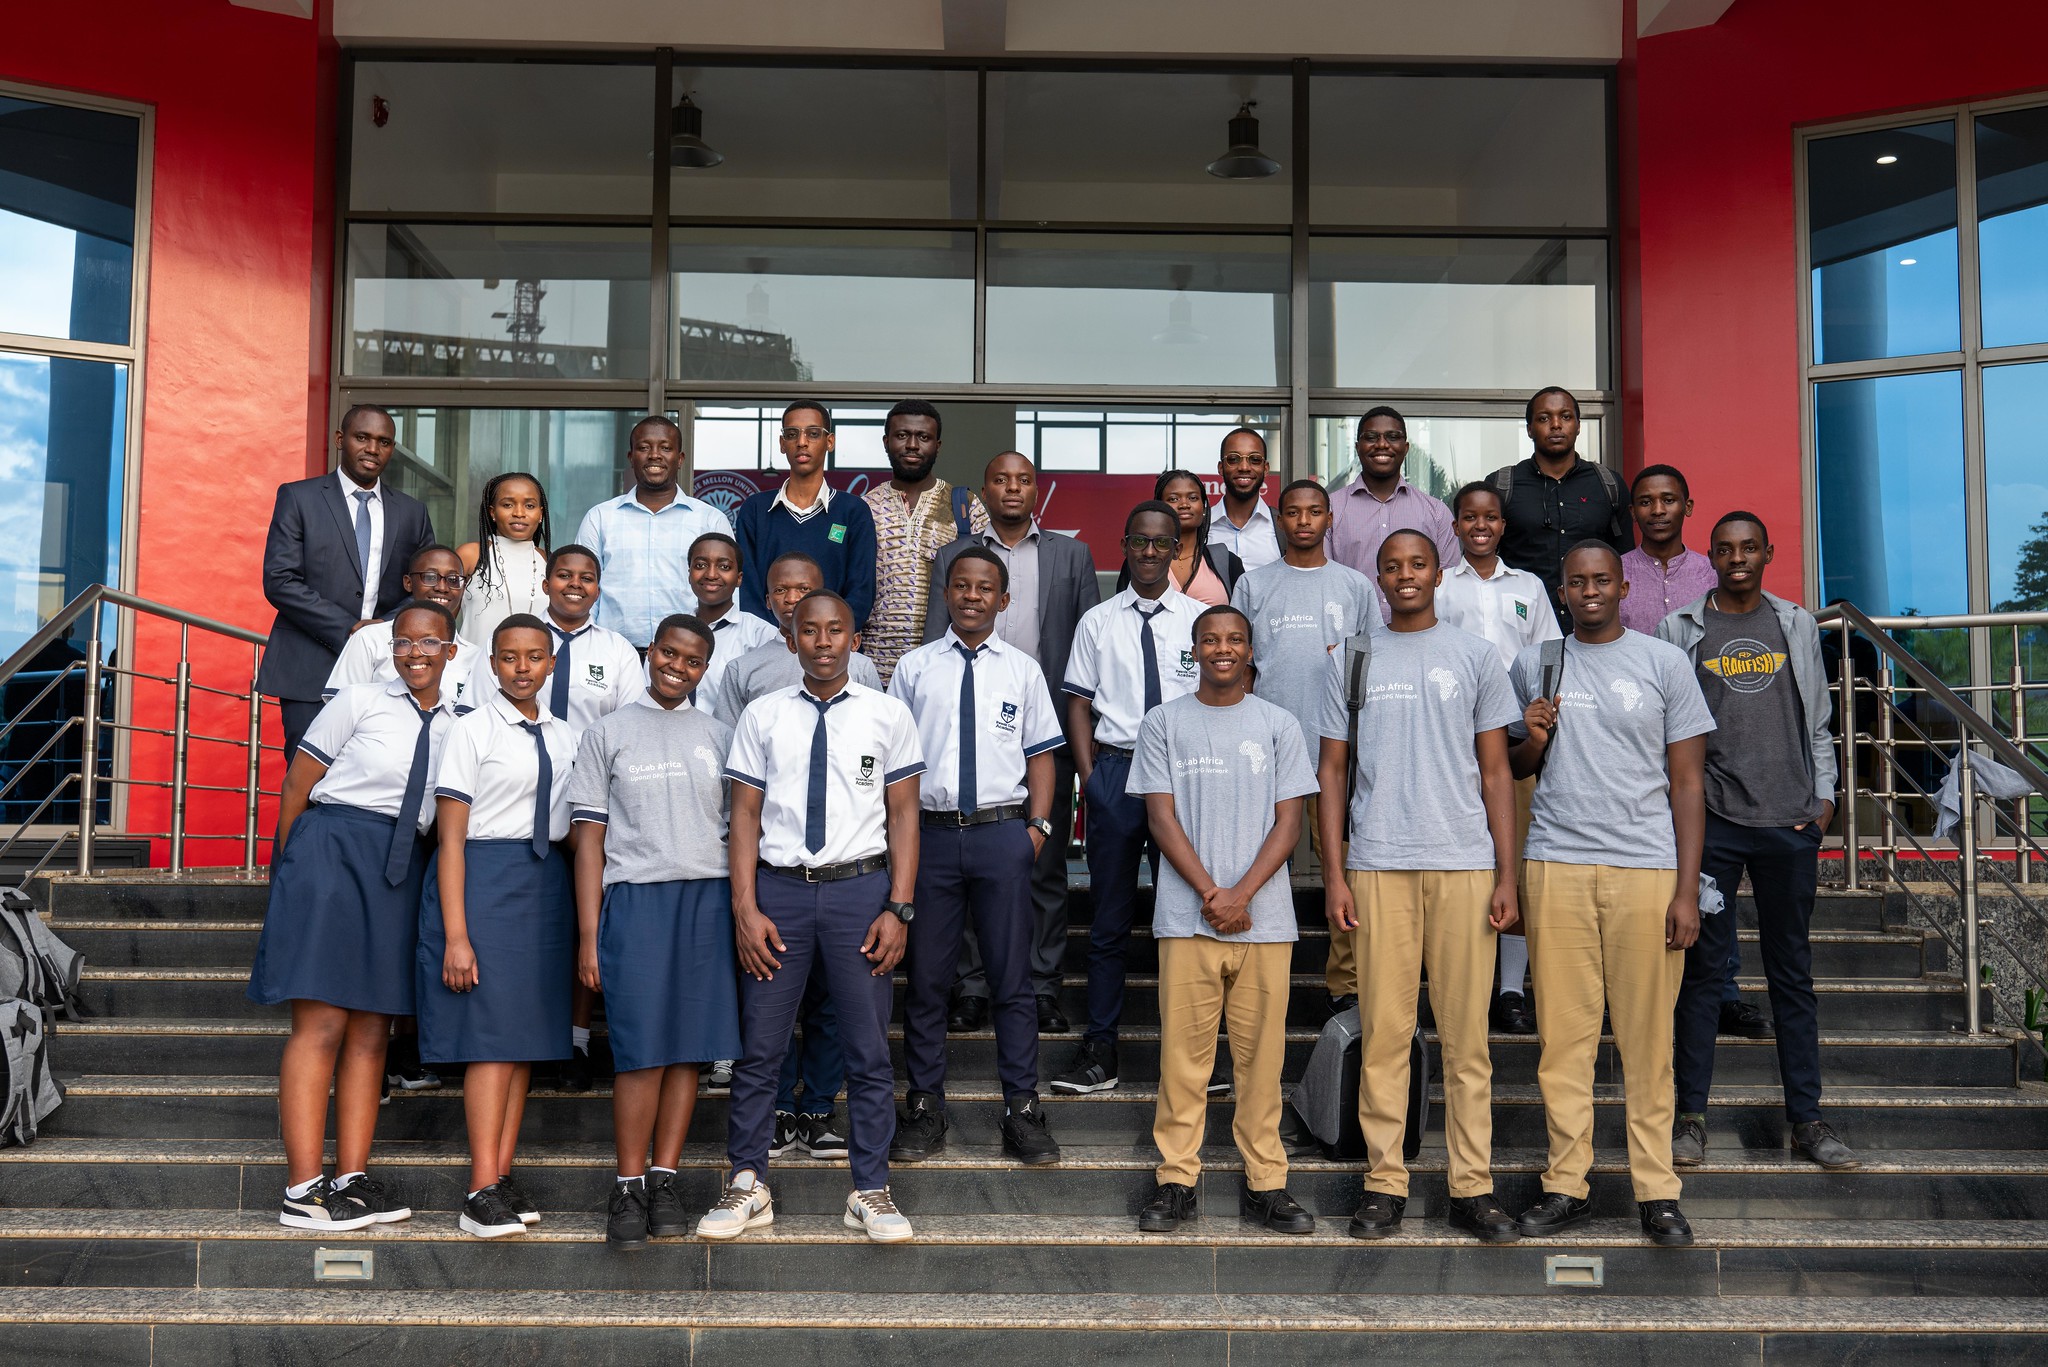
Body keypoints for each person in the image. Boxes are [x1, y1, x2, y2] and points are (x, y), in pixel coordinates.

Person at [1315, 531, 1523, 1243]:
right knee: (1386, 1035)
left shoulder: (1475, 655)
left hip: (1464, 862)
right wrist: (1336, 871)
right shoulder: (1353, 657)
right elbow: (1333, 774)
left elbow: (1497, 772)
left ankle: (1473, 1184)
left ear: (1439, 573)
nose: (1405, 575)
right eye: (1393, 566)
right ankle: (1384, 1180)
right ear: (1378, 577)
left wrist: (1506, 873)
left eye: (1418, 564)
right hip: (1378, 864)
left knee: (1469, 1040)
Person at [699, 590, 925, 1245]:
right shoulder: (764, 715)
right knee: (760, 1047)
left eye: (835, 630)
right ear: (791, 637)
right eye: (810, 630)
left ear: (856, 638)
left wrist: (899, 905)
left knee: (865, 1048)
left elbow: (905, 813)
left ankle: (871, 1188)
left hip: (861, 891)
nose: (823, 641)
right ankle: (747, 1181)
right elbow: (743, 814)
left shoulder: (887, 714)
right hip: (780, 893)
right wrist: (745, 906)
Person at [1507, 541, 1713, 1248]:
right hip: (1557, 863)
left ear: (1624, 585)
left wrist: (1687, 889)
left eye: (1601, 580)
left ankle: (1658, 1190)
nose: (1589, 591)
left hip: (1646, 871)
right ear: (1560, 591)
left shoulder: (1664, 663)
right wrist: (1532, 735)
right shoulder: (1537, 661)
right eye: (1576, 582)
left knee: (1648, 1042)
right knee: (1562, 1041)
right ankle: (1567, 1183)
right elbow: (1515, 764)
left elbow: (1688, 783)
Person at [247, 600, 461, 1231]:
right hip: (333, 854)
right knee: (321, 1025)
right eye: (402, 642)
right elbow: (296, 785)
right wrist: (286, 868)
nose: (414, 652)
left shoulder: (463, 724)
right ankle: (302, 1188)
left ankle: (351, 1176)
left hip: (402, 869)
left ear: (452, 652)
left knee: (372, 1032)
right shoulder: (359, 702)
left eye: (428, 643)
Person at [1658, 513, 1860, 1173]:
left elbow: (1820, 719)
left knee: (1791, 978)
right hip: (1712, 824)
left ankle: (1807, 1119)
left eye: (1750, 546)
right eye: (1726, 548)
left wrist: (1824, 803)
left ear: (1768, 552)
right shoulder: (1680, 628)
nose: (1738, 557)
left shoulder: (1796, 623)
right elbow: (1667, 732)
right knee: (1702, 976)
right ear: (1710, 555)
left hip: (1789, 822)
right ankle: (1690, 1120)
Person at [1129, 604, 1319, 1235]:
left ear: (1249, 649)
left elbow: (1290, 823)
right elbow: (1160, 818)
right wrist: (1214, 892)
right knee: (1183, 1060)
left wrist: (1241, 893)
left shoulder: (1279, 724)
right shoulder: (1163, 723)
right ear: (1195, 649)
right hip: (1188, 919)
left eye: (1235, 639)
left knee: (1261, 1062)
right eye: (1211, 639)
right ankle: (1175, 1179)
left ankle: (1267, 1182)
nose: (1223, 649)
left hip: (1265, 923)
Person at [567, 614, 743, 1248]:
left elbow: (738, 832)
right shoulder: (607, 732)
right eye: (668, 653)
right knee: (640, 1052)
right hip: (635, 901)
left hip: (706, 900)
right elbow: (589, 842)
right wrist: (590, 936)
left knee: (690, 1050)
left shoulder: (721, 735)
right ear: (651, 652)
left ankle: (665, 1177)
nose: (677, 666)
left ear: (705, 668)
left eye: (692, 660)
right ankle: (628, 1182)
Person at [888, 548, 1065, 1166]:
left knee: (1012, 980)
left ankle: (1022, 1109)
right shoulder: (913, 669)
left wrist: (1036, 829)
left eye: (984, 587)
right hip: (930, 839)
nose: (971, 596)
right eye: (960, 586)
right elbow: (895, 764)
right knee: (928, 982)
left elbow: (1042, 755)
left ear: (1003, 599)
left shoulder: (1023, 671)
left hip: (1001, 836)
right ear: (946, 593)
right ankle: (924, 1107)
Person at [709, 550, 882, 1153]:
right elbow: (740, 785)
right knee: (770, 1010)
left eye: (803, 590)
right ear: (775, 607)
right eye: (783, 593)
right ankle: (776, 1114)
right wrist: (744, 897)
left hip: (847, 870)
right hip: (779, 869)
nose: (791, 600)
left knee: (836, 1006)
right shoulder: (751, 677)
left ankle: (819, 1107)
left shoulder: (866, 683)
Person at [925, 452, 1101, 1034]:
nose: (1012, 488)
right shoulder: (953, 556)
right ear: (985, 488)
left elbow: (1084, 648)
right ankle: (973, 986)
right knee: (971, 862)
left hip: (1044, 733)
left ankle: (1041, 986)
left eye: (1023, 479)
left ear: (1035, 490)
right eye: (1000, 478)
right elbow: (933, 641)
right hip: (971, 735)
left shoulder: (1070, 554)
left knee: (1044, 865)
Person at [417, 614, 578, 1240]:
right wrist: (457, 933)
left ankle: (502, 1175)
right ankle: (479, 1188)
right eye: (509, 657)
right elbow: (449, 838)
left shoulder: (567, 736)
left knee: (523, 1040)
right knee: (489, 1038)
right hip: (483, 878)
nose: (522, 668)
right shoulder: (469, 730)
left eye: (534, 657)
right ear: (490, 664)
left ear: (551, 664)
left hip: (544, 887)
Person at [1050, 501, 1204, 1095]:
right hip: (1116, 773)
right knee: (1110, 920)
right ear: (1124, 544)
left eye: (1161, 543)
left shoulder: (1199, 618)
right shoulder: (1099, 621)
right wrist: (1091, 780)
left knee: (1186, 918)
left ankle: (1192, 1054)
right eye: (1139, 541)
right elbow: (1079, 704)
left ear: (1176, 550)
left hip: (1186, 778)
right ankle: (1101, 1049)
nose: (1148, 552)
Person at [491, 544, 644, 1093]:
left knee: (586, 912)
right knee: (533, 924)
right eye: (564, 575)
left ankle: (576, 1039)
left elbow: (629, 723)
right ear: (547, 582)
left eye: (587, 577)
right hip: (517, 792)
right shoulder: (519, 643)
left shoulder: (619, 651)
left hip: (589, 799)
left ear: (599, 588)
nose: (575, 585)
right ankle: (521, 1035)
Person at [1229, 479, 1377, 1011]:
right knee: (1265, 870)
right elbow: (1240, 667)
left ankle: (1347, 983)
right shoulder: (1254, 585)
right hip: (1271, 755)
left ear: (1329, 519)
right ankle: (1261, 979)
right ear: (1280, 520)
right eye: (1292, 512)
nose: (1304, 521)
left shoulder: (1355, 587)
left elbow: (1372, 666)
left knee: (1345, 871)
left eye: (1315, 512)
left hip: (1339, 754)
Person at [1434, 481, 1563, 1036]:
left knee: (1516, 866)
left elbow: (1551, 657)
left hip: (1517, 746)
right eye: (1469, 517)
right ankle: (1459, 986)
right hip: (1450, 743)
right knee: (1462, 864)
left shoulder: (1529, 587)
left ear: (1503, 525)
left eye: (1490, 517)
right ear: (1456, 526)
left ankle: (1510, 991)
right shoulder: (1439, 586)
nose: (1479, 526)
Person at [257, 404, 436, 758]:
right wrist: (353, 630)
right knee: (305, 783)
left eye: (383, 441)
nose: (372, 449)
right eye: (362, 437)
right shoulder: (299, 498)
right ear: (341, 440)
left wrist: (382, 628)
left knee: (375, 779)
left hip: (387, 669)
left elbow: (425, 586)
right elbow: (279, 579)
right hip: (310, 667)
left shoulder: (412, 512)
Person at [574, 416, 735, 650]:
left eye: (666, 448)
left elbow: (728, 595)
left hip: (687, 656)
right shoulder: (600, 518)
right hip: (612, 652)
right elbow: (583, 587)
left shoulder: (710, 520)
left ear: (680, 459)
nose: (655, 455)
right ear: (631, 457)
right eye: (644, 447)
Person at [860, 399, 988, 685]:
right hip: (874, 669)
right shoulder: (862, 508)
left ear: (938, 446)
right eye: (902, 435)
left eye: (924, 437)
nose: (913, 445)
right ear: (886, 441)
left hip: (946, 667)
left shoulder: (965, 506)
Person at [1487, 388, 1634, 630]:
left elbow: (1624, 559)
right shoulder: (1502, 485)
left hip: (1591, 626)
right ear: (1529, 429)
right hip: (1520, 627)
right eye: (1544, 418)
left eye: (1565, 417)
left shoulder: (1608, 484)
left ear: (1578, 425)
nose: (1555, 425)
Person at [733, 401, 877, 629]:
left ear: (829, 442)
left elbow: (861, 591)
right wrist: (776, 641)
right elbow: (748, 590)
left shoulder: (853, 511)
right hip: (767, 646)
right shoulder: (756, 509)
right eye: (792, 434)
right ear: (782, 443)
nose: (801, 442)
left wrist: (824, 636)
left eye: (813, 434)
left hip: (831, 649)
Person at [1325, 407, 1457, 621]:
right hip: (1354, 639)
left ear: (1405, 448)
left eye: (1392, 437)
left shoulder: (1436, 513)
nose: (1382, 444)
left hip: (1420, 640)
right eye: (1371, 437)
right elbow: (1323, 583)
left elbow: (1449, 588)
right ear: (1358, 447)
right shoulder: (1331, 509)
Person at [323, 545, 480, 712]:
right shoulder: (370, 639)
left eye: (453, 579)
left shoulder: (475, 657)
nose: (442, 587)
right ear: (408, 583)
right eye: (430, 577)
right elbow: (339, 710)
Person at [457, 472, 553, 650]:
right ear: (492, 512)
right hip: (472, 671)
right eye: (508, 505)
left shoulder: (549, 561)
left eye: (529, 505)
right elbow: (441, 619)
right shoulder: (472, 555)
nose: (519, 513)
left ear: (540, 514)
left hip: (532, 674)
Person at [1620, 465, 1718, 637]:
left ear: (1688, 507)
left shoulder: (1712, 573)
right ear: (1633, 512)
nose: (1658, 510)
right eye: (1645, 502)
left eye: (1668, 500)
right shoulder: (1614, 572)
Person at [687, 531, 779, 710]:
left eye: (724, 567)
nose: (711, 574)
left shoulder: (761, 635)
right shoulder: (672, 631)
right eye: (700, 565)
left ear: (739, 578)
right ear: (689, 574)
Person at [1123, 469, 1243, 607]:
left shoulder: (1227, 562)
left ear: (1203, 508)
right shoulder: (1142, 560)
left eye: (1193, 498)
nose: (1184, 505)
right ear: (1159, 507)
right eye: (1173, 499)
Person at [1208, 427, 1281, 572]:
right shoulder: (1201, 527)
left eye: (1255, 459)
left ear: (1266, 468)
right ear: (1221, 468)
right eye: (1233, 459)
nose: (1244, 467)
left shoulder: (1282, 529)